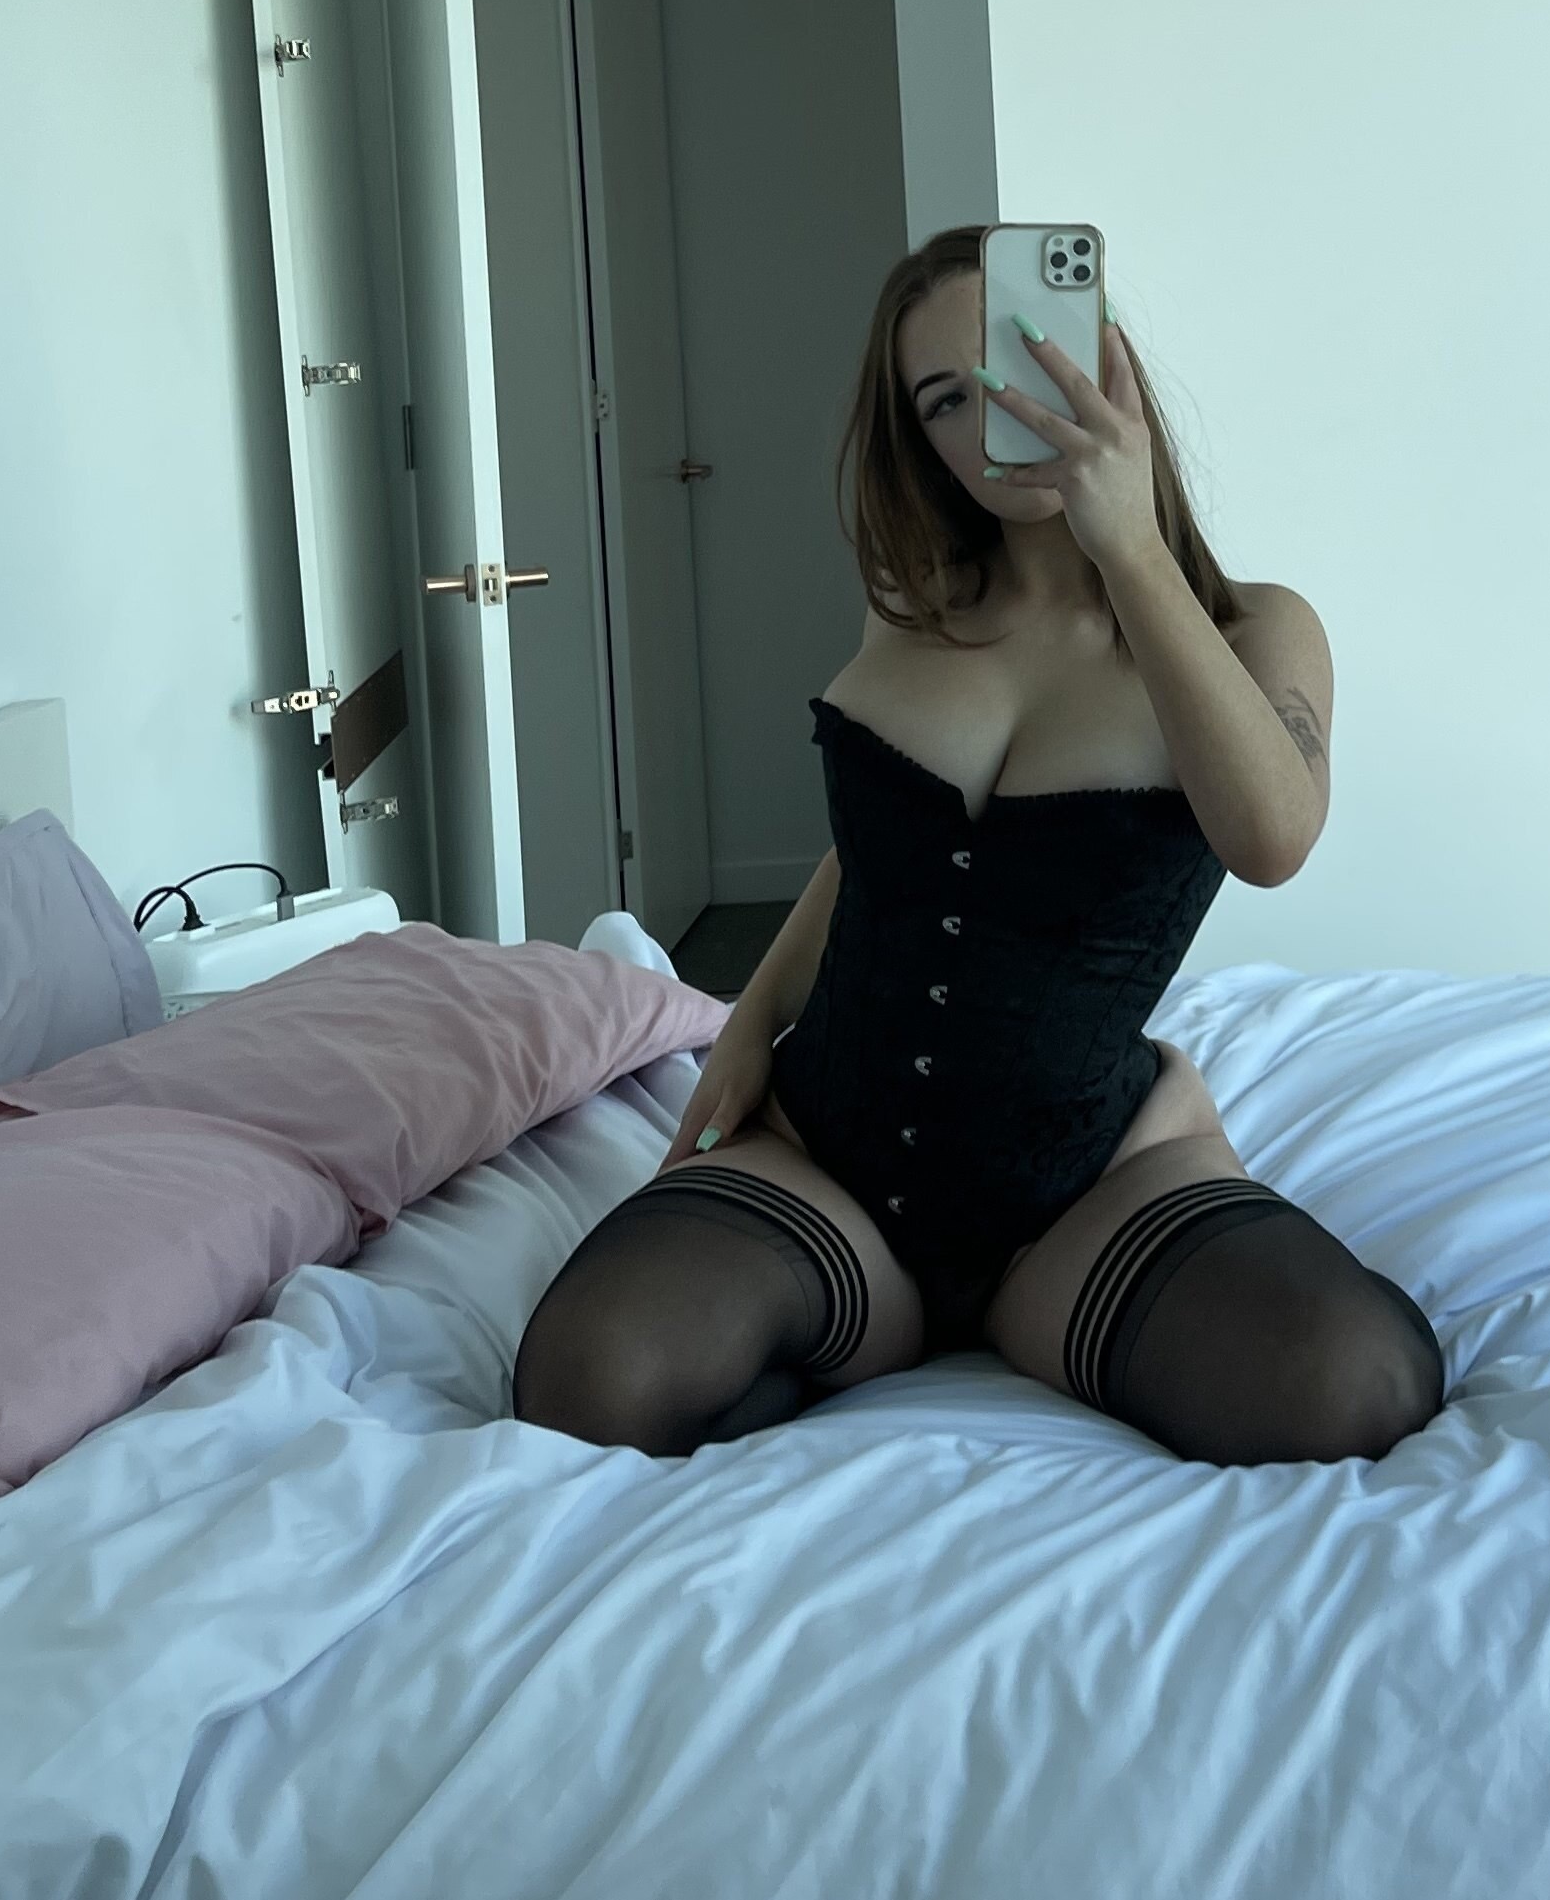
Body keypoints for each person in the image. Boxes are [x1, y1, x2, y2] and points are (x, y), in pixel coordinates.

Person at [512, 225, 1445, 1469]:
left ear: (1102, 363)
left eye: (1019, 362)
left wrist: (1127, 545)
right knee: (589, 1381)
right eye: (946, 400)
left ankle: (983, 1323)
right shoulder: (913, 612)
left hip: (1090, 1194)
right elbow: (873, 857)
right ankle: (858, 1327)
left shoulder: (1253, 630)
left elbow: (1271, 839)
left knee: (1357, 1387)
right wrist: (747, 1022)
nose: (998, 416)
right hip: (828, 1161)